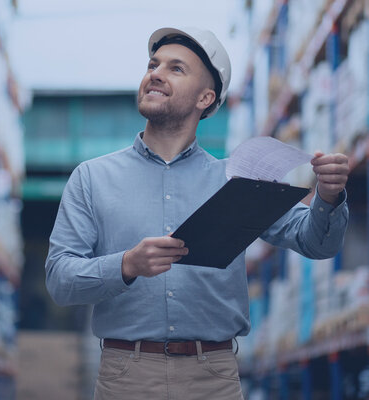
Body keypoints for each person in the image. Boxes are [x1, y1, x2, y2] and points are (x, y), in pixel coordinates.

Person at [45, 26, 349, 400]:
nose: (155, 73)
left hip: (213, 378)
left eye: (176, 68)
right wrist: (125, 265)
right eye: (152, 65)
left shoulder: (236, 182)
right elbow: (60, 279)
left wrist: (330, 197)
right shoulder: (92, 178)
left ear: (205, 97)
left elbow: (316, 243)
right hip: (127, 377)